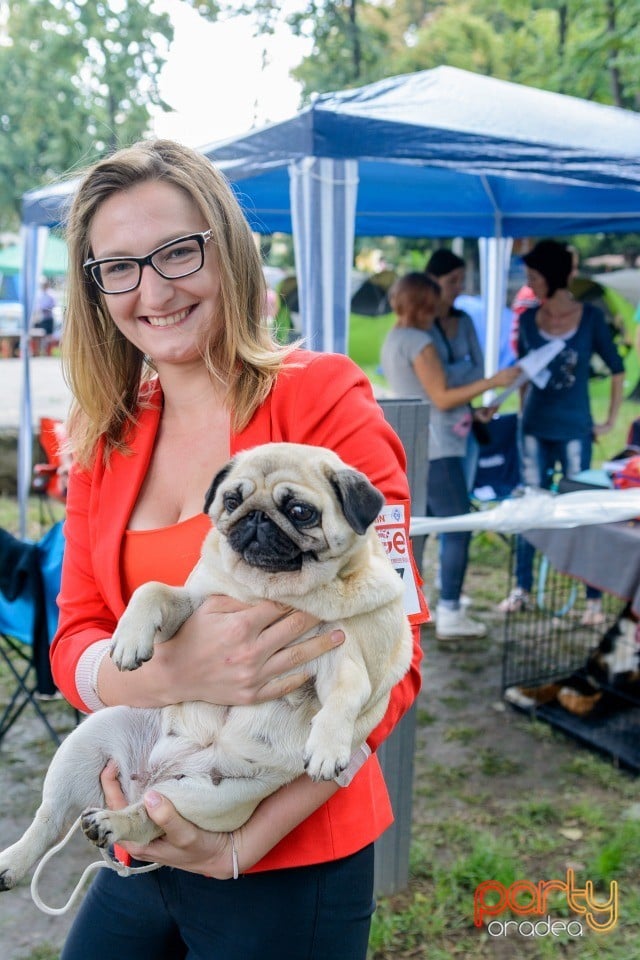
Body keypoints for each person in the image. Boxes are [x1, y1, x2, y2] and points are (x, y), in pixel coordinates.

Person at [50, 139, 425, 960]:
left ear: (228, 249)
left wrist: (238, 846)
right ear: (94, 288)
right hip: (144, 832)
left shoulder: (323, 397)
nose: (152, 289)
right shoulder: (103, 441)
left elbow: (398, 658)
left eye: (177, 252)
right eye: (118, 266)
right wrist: (170, 674)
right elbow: (74, 636)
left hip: (289, 857)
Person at [380, 265, 520, 641]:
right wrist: (493, 382)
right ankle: (451, 610)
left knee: (420, 530)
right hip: (439, 447)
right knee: (457, 528)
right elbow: (440, 398)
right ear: (425, 305)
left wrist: (471, 410)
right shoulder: (421, 342)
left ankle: (416, 603)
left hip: (418, 444)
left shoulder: (394, 338)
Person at [499, 239, 625, 622]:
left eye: (534, 277)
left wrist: (609, 421)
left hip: (574, 430)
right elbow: (523, 373)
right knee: (530, 504)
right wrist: (521, 416)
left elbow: (617, 367)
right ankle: (521, 588)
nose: (529, 284)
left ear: (552, 276)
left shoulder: (590, 318)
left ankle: (591, 600)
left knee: (579, 508)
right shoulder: (527, 319)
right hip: (535, 428)